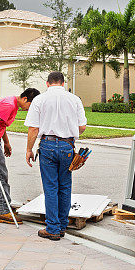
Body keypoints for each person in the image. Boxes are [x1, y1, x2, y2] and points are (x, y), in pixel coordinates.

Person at [24, 71, 87, 241]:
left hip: (47, 145)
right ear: (63, 83)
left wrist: (29, 149)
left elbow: (33, 129)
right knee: (65, 187)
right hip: (67, 146)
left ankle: (52, 228)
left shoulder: (39, 99)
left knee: (51, 188)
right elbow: (82, 127)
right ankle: (61, 225)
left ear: (47, 83)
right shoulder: (74, 99)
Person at [0, 87, 41, 224]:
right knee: (1, 174)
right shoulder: (9, 105)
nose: (30, 109)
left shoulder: (13, 104)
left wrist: (6, 143)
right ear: (24, 99)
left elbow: (0, 125)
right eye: (30, 105)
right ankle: (4, 210)